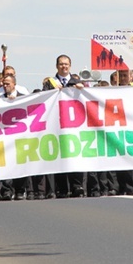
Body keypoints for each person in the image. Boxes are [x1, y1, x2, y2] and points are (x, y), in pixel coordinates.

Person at [43, 54, 86, 198]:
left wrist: (82, 89)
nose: (64, 66)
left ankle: (77, 186)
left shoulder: (77, 82)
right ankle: (61, 188)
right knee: (60, 155)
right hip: (57, 124)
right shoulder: (50, 83)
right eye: (61, 64)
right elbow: (44, 99)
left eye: (66, 64)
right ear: (57, 66)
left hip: (75, 125)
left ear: (70, 66)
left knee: (75, 153)